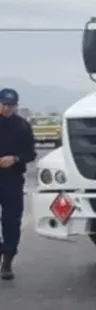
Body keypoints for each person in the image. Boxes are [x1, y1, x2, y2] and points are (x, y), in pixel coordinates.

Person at [0, 88, 37, 280]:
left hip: (12, 179)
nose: (7, 109)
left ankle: (7, 260)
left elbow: (30, 153)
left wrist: (15, 158)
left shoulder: (21, 126)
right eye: (4, 104)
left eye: (11, 105)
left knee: (12, 220)